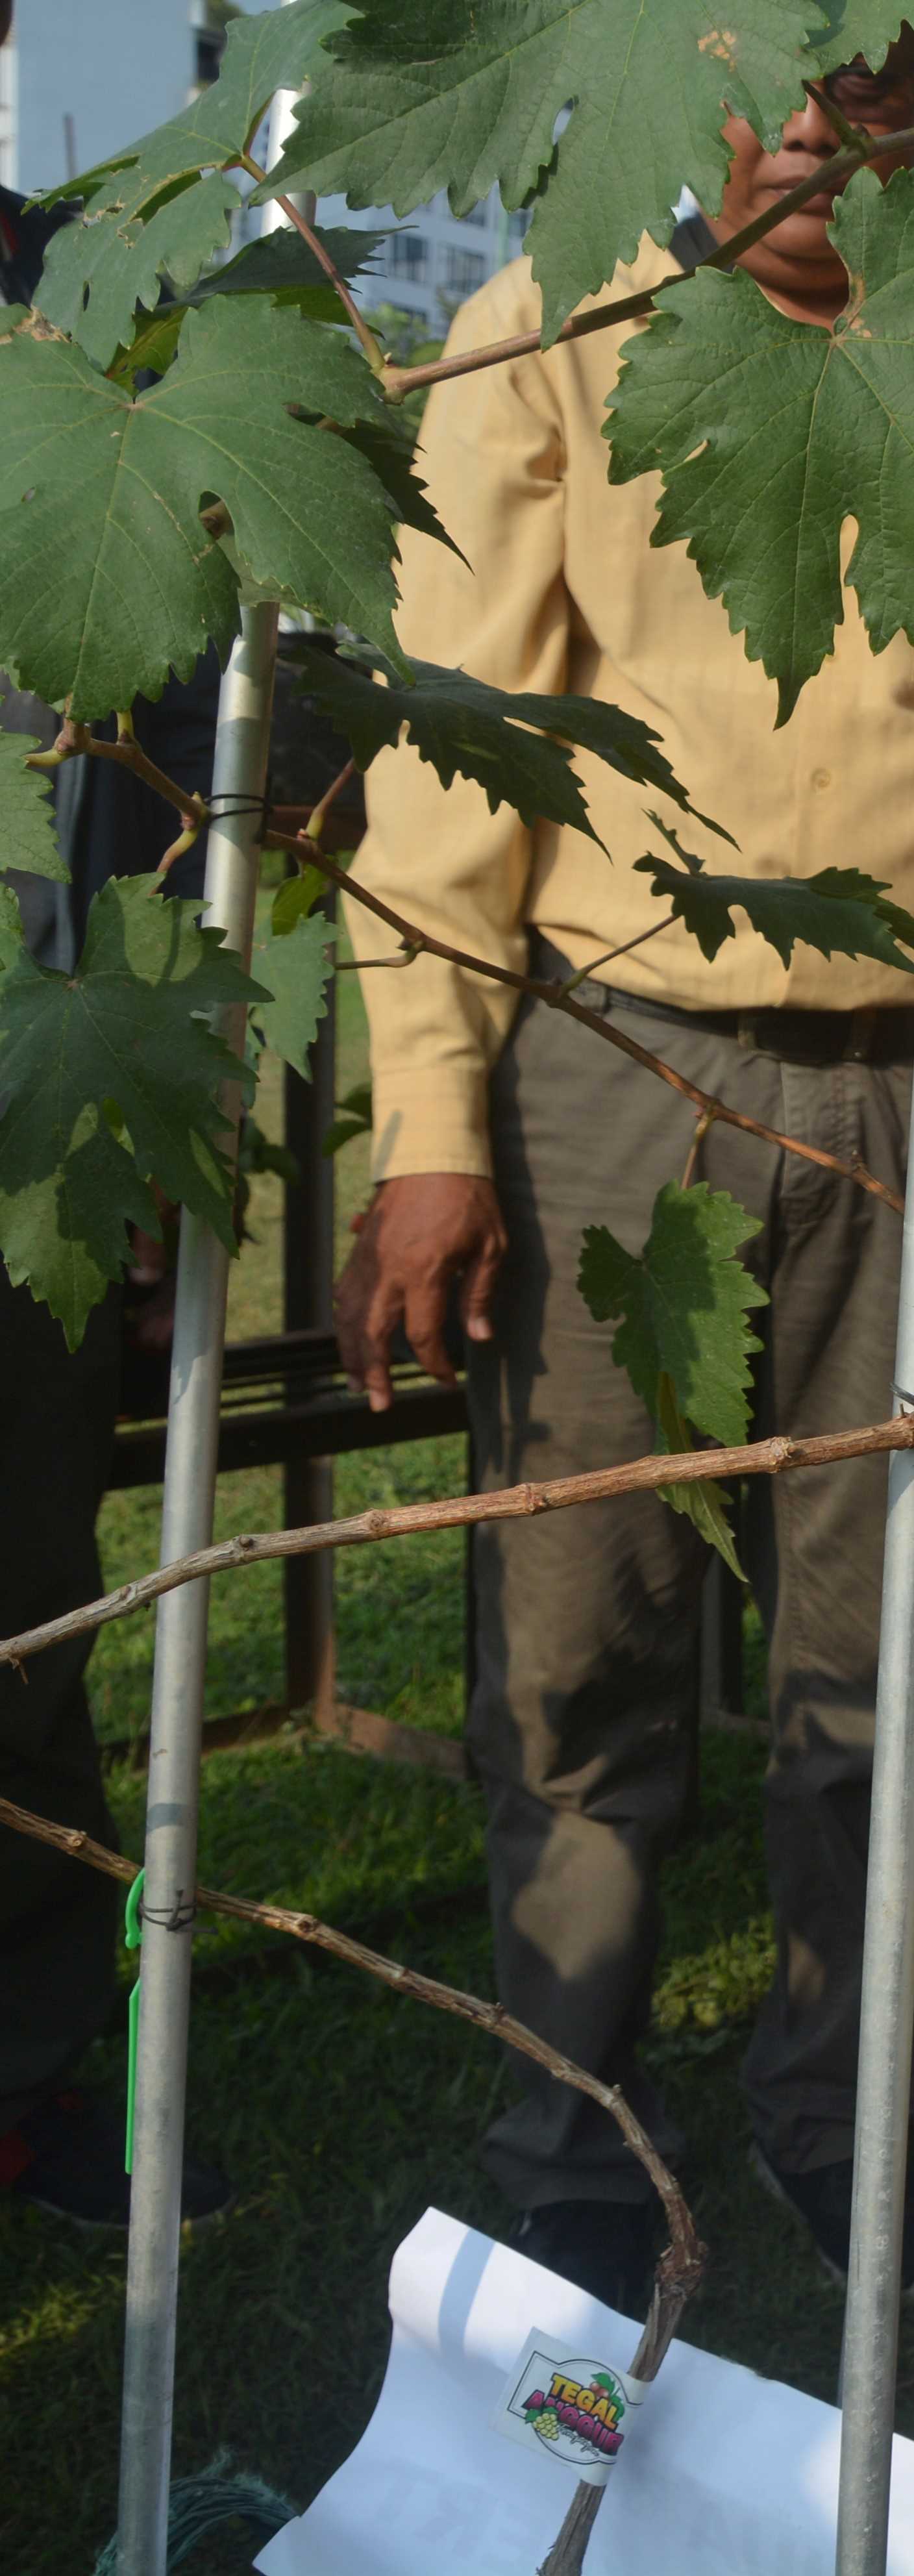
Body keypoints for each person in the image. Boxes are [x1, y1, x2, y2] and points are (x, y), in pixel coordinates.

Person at [330, 27, 914, 2321]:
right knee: (574, 1627)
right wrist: (430, 1124)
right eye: (781, 86)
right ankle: (571, 2128)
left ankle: (841, 2109)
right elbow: (456, 758)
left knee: (876, 1646)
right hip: (618, 1060)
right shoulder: (564, 326)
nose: (823, 140)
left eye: (879, 90)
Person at [0, 80, 234, 2230]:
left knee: (24, 1621)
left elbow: (191, 753)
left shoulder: (99, 336)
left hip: (41, 1130)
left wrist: (156, 1086)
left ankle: (40, 2063)